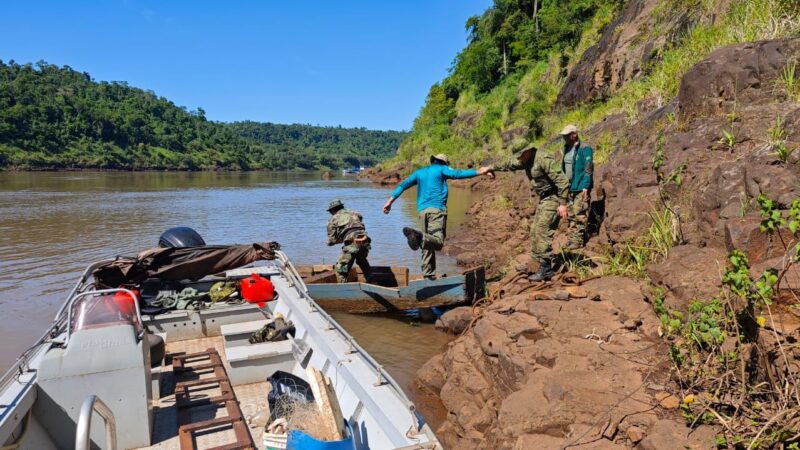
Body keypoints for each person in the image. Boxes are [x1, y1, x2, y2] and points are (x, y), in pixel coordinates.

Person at [382, 154, 493, 279]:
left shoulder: (419, 172)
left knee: (427, 244)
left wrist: (389, 202)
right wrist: (479, 172)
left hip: (422, 212)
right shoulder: (442, 169)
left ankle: (428, 274)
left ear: (433, 161)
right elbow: (458, 174)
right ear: (443, 163)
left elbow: (402, 185)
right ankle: (419, 236)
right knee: (438, 242)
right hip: (437, 211)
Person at [489, 139, 569, 282]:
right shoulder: (526, 160)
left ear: (528, 150)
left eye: (520, 155)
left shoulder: (543, 158)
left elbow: (562, 181)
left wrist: (563, 203)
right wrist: (490, 168)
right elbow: (509, 164)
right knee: (534, 230)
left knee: (542, 231)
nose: (519, 158)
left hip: (553, 198)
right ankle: (536, 264)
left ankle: (546, 269)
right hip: (544, 199)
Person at [560, 124, 593, 250]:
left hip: (580, 187)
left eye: (567, 135)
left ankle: (578, 240)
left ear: (574, 134)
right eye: (563, 136)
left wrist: (586, 185)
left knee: (579, 213)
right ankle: (572, 238)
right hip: (569, 186)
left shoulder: (585, 148)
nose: (564, 138)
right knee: (571, 215)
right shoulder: (567, 148)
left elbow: (588, 167)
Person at [326, 199, 371, 283]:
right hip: (365, 240)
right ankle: (371, 280)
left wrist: (331, 242)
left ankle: (343, 289)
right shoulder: (355, 213)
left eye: (330, 212)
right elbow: (359, 221)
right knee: (362, 260)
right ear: (342, 207)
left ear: (333, 210)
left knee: (340, 270)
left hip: (352, 242)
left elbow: (331, 241)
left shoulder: (333, 219)